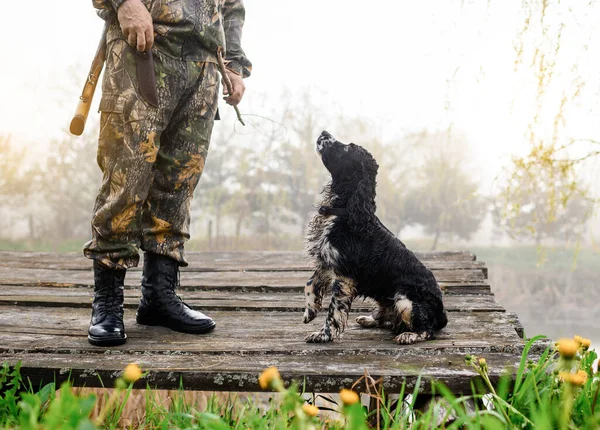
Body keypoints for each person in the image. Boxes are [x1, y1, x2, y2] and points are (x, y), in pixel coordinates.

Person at [84, 0, 252, 346]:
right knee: (125, 181)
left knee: (179, 184)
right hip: (142, 49)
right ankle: (107, 303)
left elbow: (232, 4)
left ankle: (159, 296)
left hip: (204, 63)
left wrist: (233, 63)